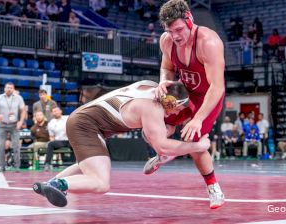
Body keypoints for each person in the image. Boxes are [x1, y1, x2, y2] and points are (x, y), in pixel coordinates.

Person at [33, 81, 212, 208]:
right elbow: (162, 146)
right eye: (179, 107)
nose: (178, 112)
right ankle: (59, 185)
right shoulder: (152, 108)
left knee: (89, 165)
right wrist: (198, 146)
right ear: (170, 101)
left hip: (85, 121)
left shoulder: (149, 85)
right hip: (86, 125)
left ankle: (50, 183)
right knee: (101, 183)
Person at [141, 0, 225, 209]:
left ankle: (214, 187)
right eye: (170, 31)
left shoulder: (209, 42)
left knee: (194, 141)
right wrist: (163, 81)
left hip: (208, 96)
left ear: (189, 19)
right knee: (148, 124)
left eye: (178, 29)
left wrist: (197, 119)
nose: (175, 36)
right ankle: (165, 152)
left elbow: (217, 87)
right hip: (184, 92)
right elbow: (167, 68)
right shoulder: (166, 41)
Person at [0, 82, 26, 172]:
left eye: (11, 88)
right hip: (2, 124)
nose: (9, 89)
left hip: (14, 124)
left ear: (13, 89)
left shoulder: (19, 98)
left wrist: (21, 121)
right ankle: (1, 166)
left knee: (16, 145)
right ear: (4, 88)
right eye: (7, 87)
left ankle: (17, 166)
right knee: (1, 146)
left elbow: (23, 111)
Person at [44, 107, 70, 171]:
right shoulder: (51, 123)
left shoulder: (67, 118)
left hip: (70, 139)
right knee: (50, 144)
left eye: (57, 111)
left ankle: (76, 163)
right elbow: (52, 136)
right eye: (54, 111)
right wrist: (52, 142)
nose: (56, 112)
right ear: (52, 113)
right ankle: (47, 164)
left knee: (76, 144)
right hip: (60, 141)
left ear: (60, 111)